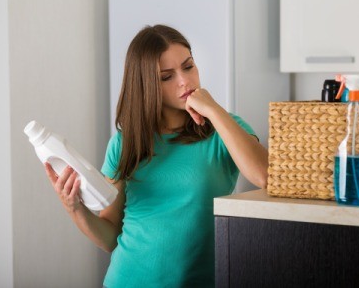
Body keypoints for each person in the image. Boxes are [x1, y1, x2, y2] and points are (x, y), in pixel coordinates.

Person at [44, 24, 268, 287]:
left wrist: (214, 110)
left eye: (188, 66)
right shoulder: (125, 143)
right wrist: (75, 209)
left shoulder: (225, 129)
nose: (184, 81)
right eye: (166, 76)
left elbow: (264, 175)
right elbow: (109, 237)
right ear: (146, 85)